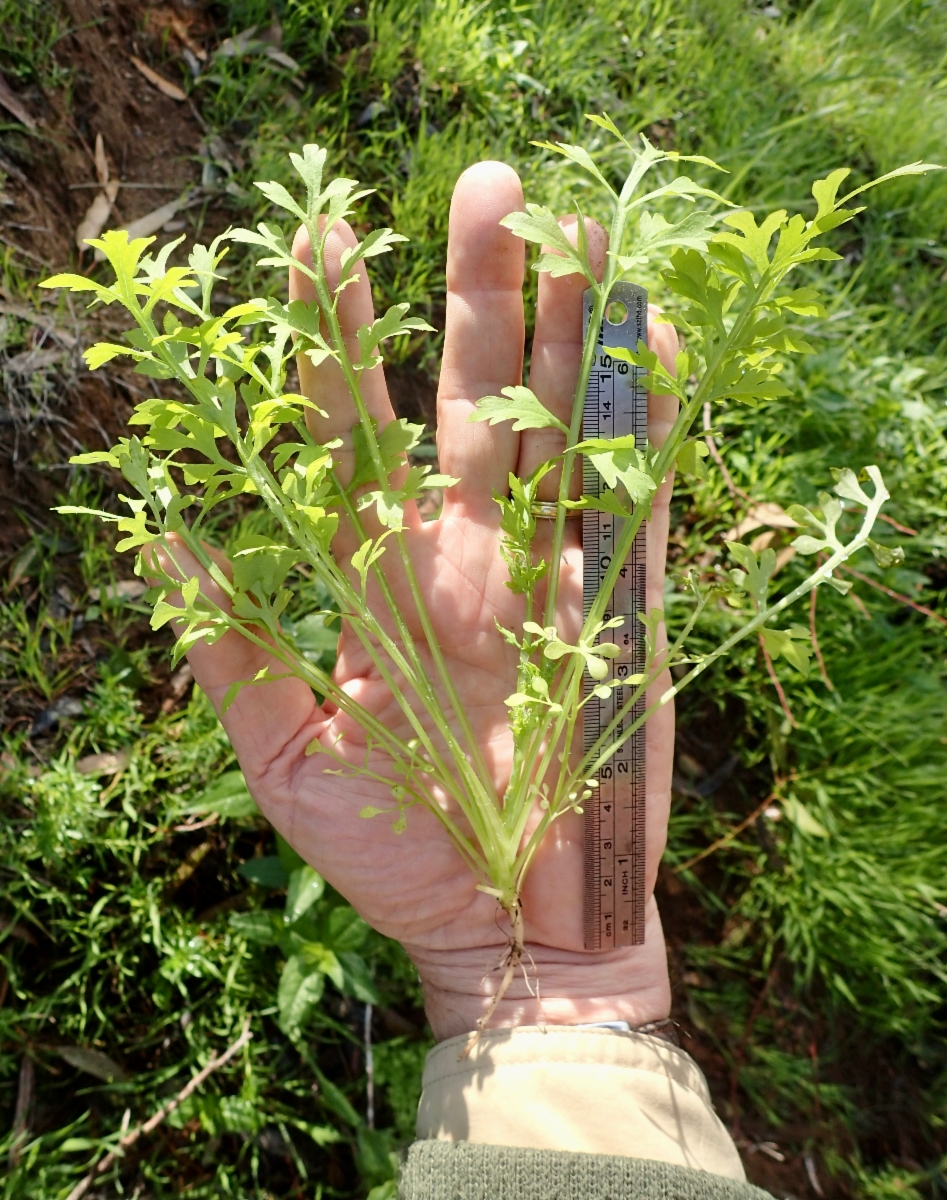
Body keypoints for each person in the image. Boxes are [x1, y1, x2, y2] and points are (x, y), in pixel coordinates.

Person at [159, 161, 769, 1200]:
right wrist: (564, 992)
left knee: (606, 507)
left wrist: (531, 988)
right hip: (580, 1051)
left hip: (543, 1048)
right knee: (602, 505)